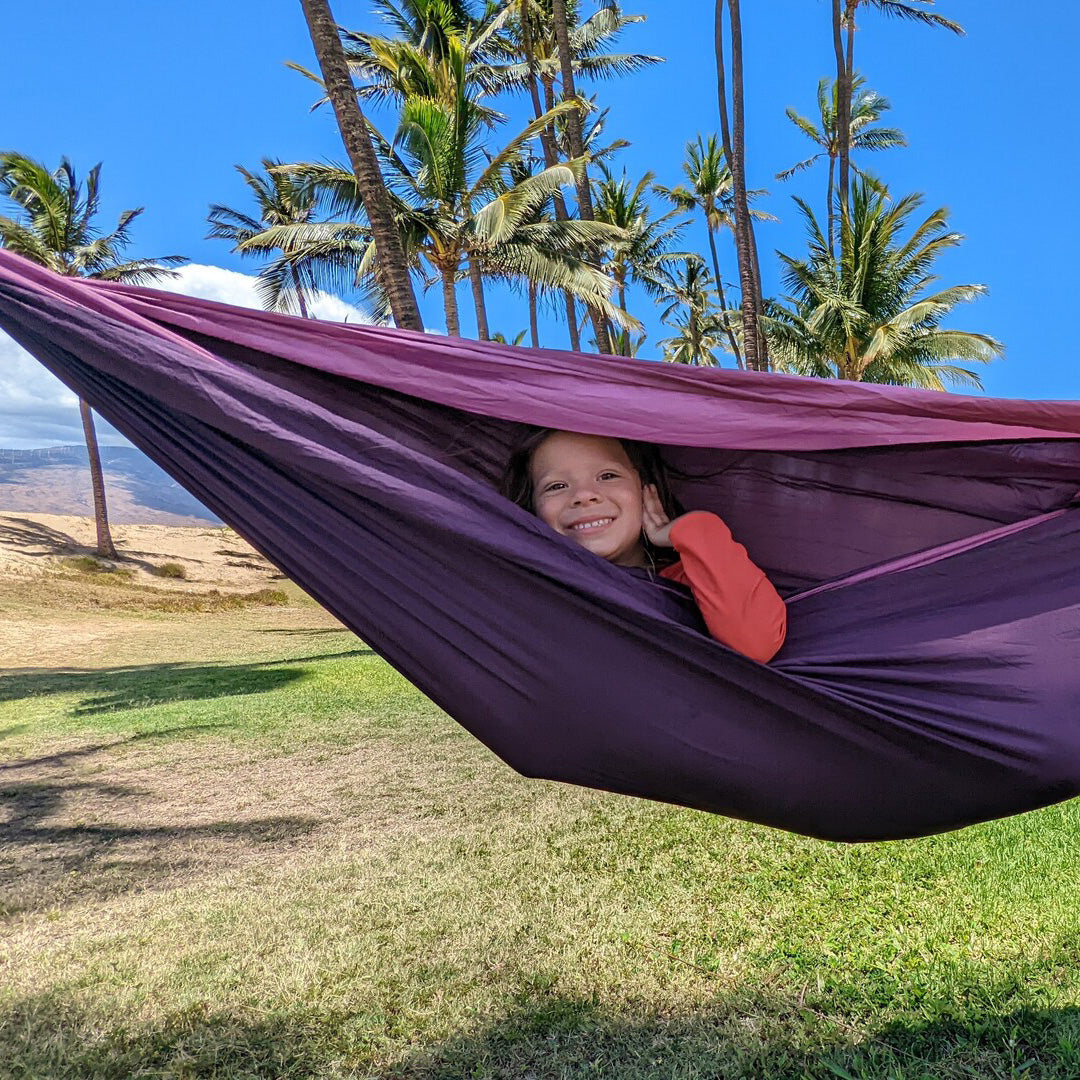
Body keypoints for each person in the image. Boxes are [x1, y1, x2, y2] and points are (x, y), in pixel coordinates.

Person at [501, 428, 787, 664]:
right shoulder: (527, 590)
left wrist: (697, 529)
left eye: (607, 476)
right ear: (532, 509)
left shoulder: (688, 578)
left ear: (644, 490)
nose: (584, 495)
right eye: (556, 486)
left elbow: (755, 643)